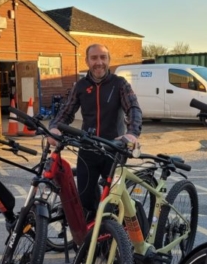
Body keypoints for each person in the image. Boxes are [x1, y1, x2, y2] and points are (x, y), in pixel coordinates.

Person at [49, 43, 142, 221]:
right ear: (87, 61)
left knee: (112, 202)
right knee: (84, 198)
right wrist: (54, 127)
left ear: (109, 60)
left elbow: (134, 109)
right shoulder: (81, 86)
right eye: (94, 58)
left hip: (113, 150)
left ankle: (115, 237)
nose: (99, 62)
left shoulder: (120, 84)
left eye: (103, 57)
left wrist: (132, 133)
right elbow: (66, 112)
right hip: (88, 150)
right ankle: (93, 237)